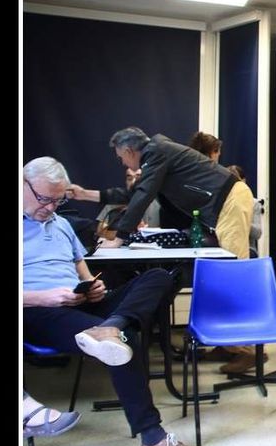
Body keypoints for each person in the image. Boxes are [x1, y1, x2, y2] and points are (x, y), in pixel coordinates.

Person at [22, 157, 208, 446]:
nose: (52, 207)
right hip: (37, 310)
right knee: (123, 344)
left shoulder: (63, 225)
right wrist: (44, 296)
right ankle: (153, 441)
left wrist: (90, 287)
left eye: (59, 199)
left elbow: (83, 273)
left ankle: (113, 325)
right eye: (45, 199)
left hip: (78, 302)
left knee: (160, 275)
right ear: (24, 185)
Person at [68, 128, 258, 373]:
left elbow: (143, 195)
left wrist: (120, 238)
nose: (122, 162)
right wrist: (85, 195)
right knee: (218, 276)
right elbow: (133, 193)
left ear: (129, 151)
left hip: (230, 200)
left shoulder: (158, 152)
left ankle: (248, 350)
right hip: (224, 204)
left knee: (230, 275)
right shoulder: (156, 154)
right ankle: (228, 344)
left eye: (121, 157)